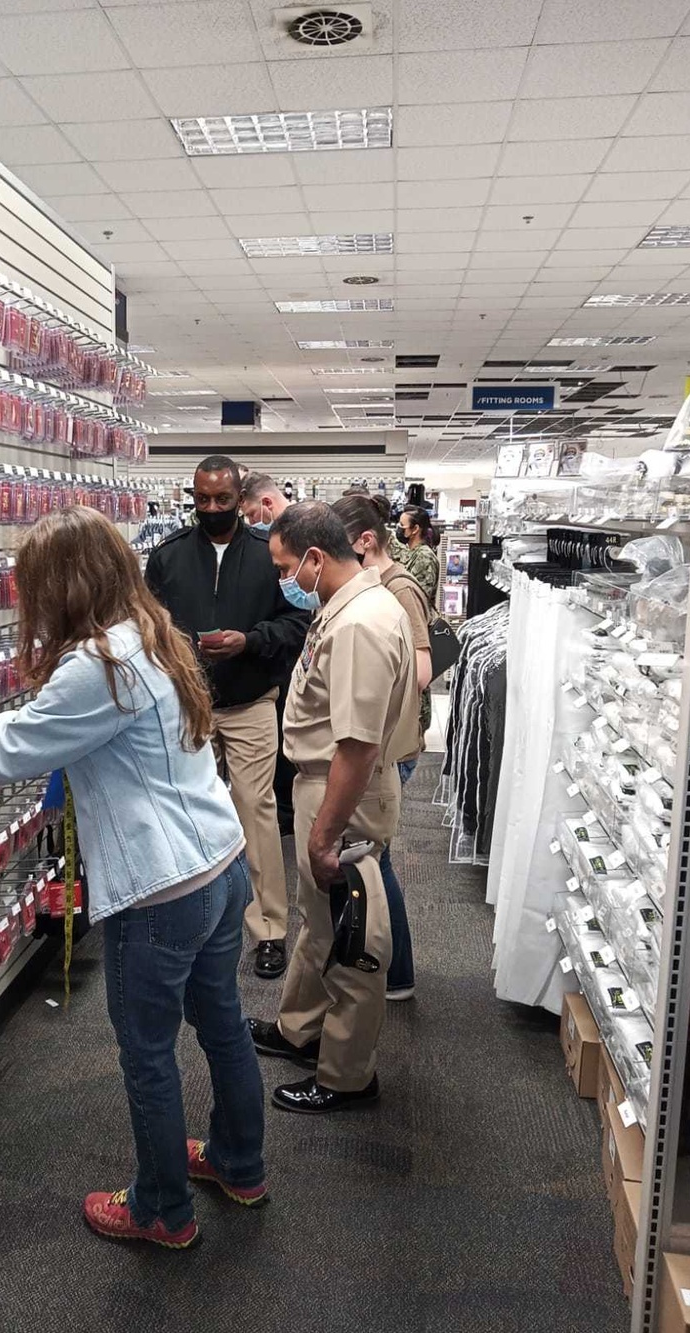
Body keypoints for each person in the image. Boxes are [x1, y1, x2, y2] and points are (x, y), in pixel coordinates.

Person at [0, 508, 266, 1250]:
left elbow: (22, 750)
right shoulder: (146, 636)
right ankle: (238, 1163)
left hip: (162, 891)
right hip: (218, 865)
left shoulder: (95, 665)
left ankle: (161, 1209)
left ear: (60, 586)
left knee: (148, 1053)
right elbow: (47, 726)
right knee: (222, 1025)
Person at [249, 502, 416, 1114]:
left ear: (317, 558)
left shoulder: (360, 624)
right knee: (319, 921)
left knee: (352, 940)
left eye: (287, 566)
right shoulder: (343, 608)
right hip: (321, 782)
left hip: (342, 790)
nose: (283, 580)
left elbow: (358, 743)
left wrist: (324, 835)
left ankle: (347, 1074)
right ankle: (302, 1031)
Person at [145, 456, 309, 980]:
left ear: (241, 499)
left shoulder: (269, 556)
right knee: (185, 811)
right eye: (202, 500)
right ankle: (190, 922)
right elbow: (146, 628)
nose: (211, 509)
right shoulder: (167, 558)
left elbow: (298, 623)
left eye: (221, 499)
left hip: (251, 702)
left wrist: (250, 640)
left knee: (256, 810)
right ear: (192, 497)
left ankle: (268, 928)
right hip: (187, 707)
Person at [332, 493, 433, 1003]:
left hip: (392, 746)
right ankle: (393, 974)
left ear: (365, 543)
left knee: (376, 860)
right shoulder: (376, 589)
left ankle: (395, 976)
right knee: (373, 858)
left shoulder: (398, 590)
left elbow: (422, 670)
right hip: (387, 744)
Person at [239, 471, 297, 836]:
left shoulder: (295, 535)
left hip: (291, 659)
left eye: (248, 515)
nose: (248, 524)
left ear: (266, 504)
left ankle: (290, 813)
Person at [394, 504, 441, 604]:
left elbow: (418, 598)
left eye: (402, 525)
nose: (399, 529)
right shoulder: (410, 552)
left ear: (415, 529)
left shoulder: (425, 557)